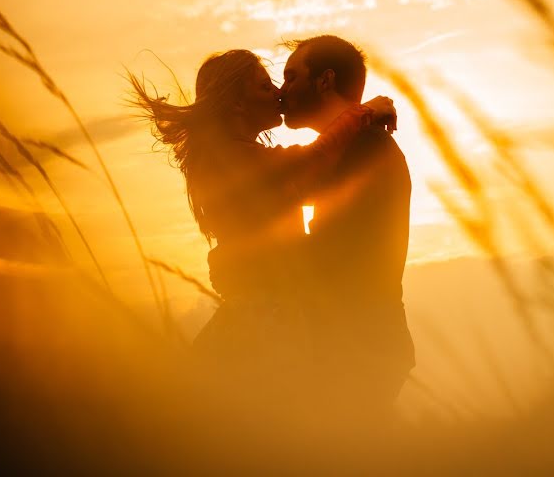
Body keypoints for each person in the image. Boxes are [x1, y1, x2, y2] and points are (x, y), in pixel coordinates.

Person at [128, 49, 397, 409]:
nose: (278, 93)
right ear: (238, 105)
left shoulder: (244, 159)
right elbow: (314, 160)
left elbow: (316, 182)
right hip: (263, 319)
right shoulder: (231, 158)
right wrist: (362, 112)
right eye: (264, 85)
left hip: (273, 314)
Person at [279, 35, 415, 418]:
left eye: (291, 77)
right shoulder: (359, 144)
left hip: (358, 345)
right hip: (363, 339)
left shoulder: (363, 149)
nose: (281, 90)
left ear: (324, 81)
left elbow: (331, 252)